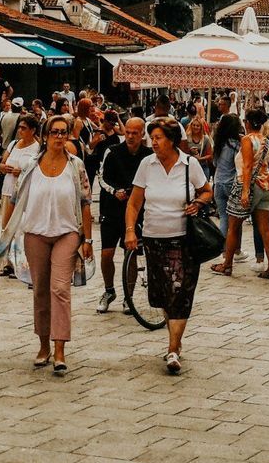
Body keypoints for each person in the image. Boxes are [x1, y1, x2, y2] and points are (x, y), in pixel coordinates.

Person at [124, 118, 212, 375]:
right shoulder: (146, 165)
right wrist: (131, 230)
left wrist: (198, 203)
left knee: (181, 291)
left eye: (159, 138)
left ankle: (173, 348)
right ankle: (176, 338)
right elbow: (134, 203)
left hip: (183, 237)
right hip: (153, 237)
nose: (154, 143)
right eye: (152, 138)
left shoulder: (189, 164)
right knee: (163, 292)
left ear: (172, 140)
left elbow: (207, 190)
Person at [18, 115, 94, 375]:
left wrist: (88, 239)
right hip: (35, 233)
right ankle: (43, 345)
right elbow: (16, 200)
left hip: (67, 232)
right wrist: (6, 236)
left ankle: (60, 349)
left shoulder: (76, 166)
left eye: (64, 133)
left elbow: (85, 202)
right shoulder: (31, 165)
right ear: (45, 135)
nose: (60, 137)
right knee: (40, 289)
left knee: (59, 288)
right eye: (55, 132)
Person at [95, 116, 149, 313]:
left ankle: (129, 295)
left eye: (135, 133)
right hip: (112, 207)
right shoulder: (113, 151)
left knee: (131, 253)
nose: (130, 136)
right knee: (106, 253)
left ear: (142, 134)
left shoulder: (148, 155)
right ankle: (109, 291)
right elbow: (101, 177)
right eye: (127, 132)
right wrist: (114, 191)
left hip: (136, 211)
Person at [220, 105, 269, 280]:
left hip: (247, 185)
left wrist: (245, 191)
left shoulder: (247, 140)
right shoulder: (267, 141)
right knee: (265, 228)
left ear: (247, 123)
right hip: (265, 186)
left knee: (233, 227)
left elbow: (246, 166)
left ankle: (227, 264)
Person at [207, 110, 242, 274]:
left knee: (223, 219)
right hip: (231, 184)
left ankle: (223, 250)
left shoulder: (219, 143)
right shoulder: (236, 144)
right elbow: (239, 164)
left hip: (218, 183)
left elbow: (214, 162)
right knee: (233, 222)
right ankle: (229, 251)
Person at [0, 112, 43, 229]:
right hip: (8, 191)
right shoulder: (13, 144)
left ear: (33, 130)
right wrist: (3, 168)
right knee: (6, 227)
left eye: (23, 128)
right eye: (19, 127)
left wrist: (22, 173)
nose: (20, 130)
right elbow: (2, 164)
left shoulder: (38, 148)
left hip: (25, 194)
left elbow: (40, 172)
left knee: (21, 228)